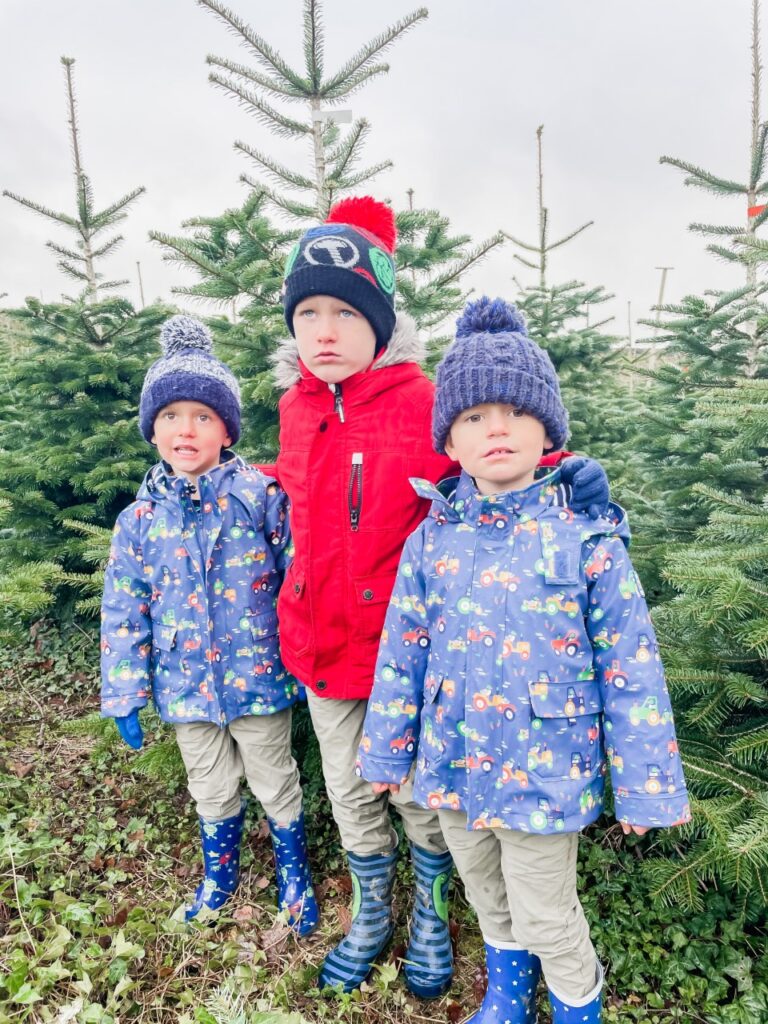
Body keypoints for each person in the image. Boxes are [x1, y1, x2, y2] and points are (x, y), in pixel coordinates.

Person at [269, 198, 611, 996]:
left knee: (419, 796)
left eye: (346, 313)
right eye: (308, 312)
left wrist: (570, 478)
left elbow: (500, 462)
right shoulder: (293, 408)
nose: (324, 331)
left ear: (382, 323)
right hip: (321, 644)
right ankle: (371, 907)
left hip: (410, 654)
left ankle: (429, 907)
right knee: (351, 788)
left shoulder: (423, 403)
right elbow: (292, 498)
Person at [357, 296, 691, 1022]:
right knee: (485, 891)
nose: (496, 427)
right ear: (451, 440)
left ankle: (576, 1002)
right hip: (451, 765)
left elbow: (631, 669)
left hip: (544, 770)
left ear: (549, 430)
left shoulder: (586, 541)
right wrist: (386, 753)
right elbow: (401, 654)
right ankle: (508, 992)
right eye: (474, 416)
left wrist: (645, 784)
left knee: (546, 910)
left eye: (514, 411)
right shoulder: (432, 541)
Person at [100, 315, 318, 931]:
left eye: (202, 416)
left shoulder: (258, 496)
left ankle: (293, 878)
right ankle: (218, 880)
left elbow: (296, 578)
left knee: (275, 779)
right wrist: (124, 688)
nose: (185, 429)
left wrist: (305, 657)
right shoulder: (139, 520)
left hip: (257, 675)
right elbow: (124, 608)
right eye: (170, 417)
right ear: (152, 430)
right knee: (212, 786)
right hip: (186, 686)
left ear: (226, 429)